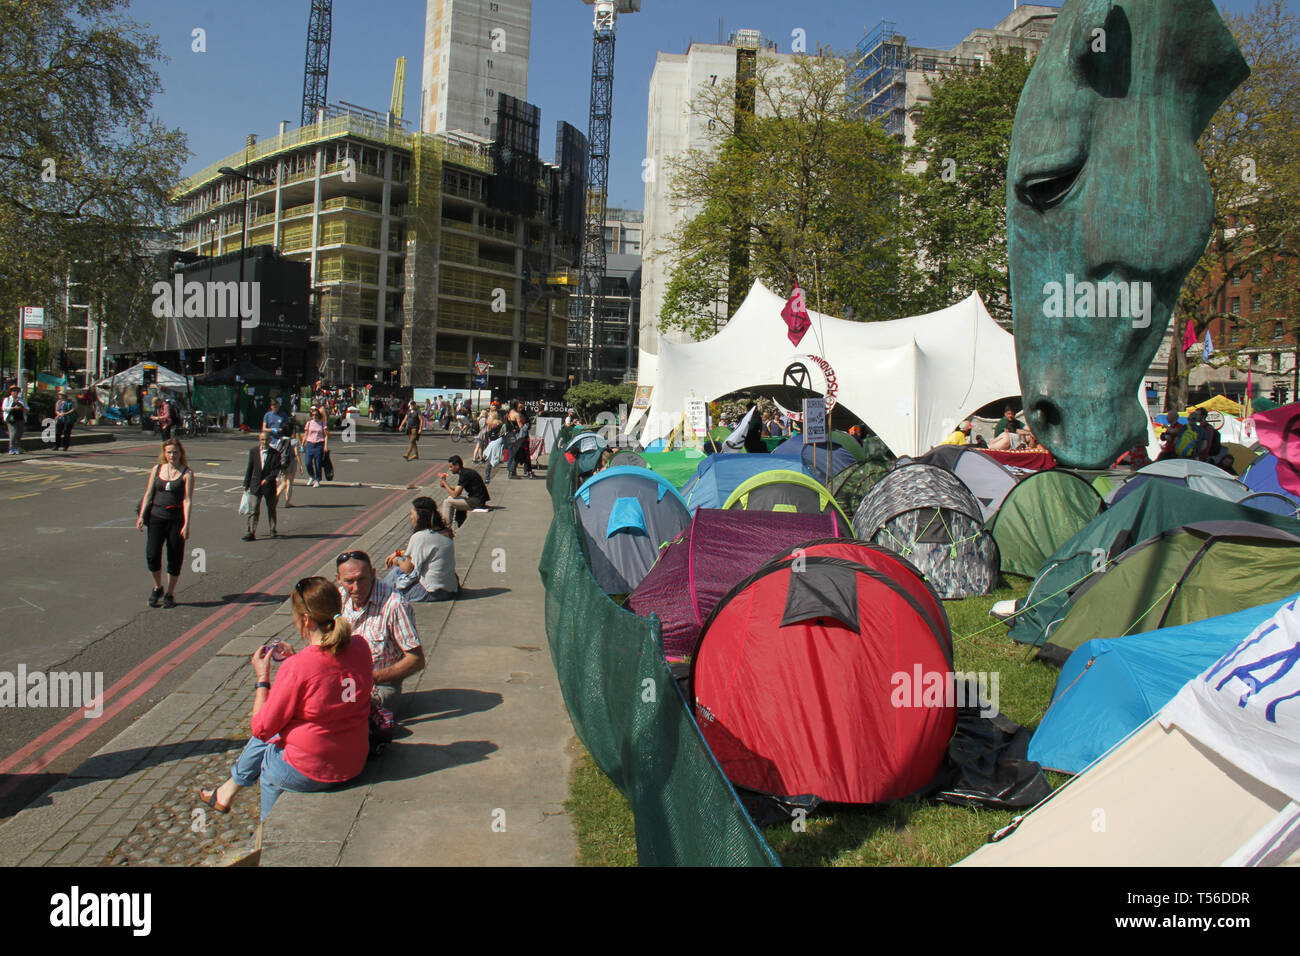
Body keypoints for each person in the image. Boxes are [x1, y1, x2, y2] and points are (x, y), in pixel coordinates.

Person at [197, 577, 372, 819]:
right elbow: (329, 678)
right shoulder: (361, 647)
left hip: (313, 769)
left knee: (270, 754)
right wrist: (297, 661)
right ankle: (226, 792)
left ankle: (266, 835)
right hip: (354, 758)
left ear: (306, 620)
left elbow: (261, 729)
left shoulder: (299, 668)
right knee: (281, 729)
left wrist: (262, 677)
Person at [335, 551, 425, 705]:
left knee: (342, 709)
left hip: (379, 685)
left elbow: (416, 660)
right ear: (338, 579)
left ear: (373, 574)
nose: (356, 588)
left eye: (361, 579)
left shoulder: (395, 604)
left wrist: (371, 677)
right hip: (342, 681)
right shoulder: (339, 598)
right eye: (349, 581)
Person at [137, 438, 194, 608]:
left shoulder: (187, 473)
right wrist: (141, 515)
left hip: (176, 520)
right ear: (164, 454)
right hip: (156, 518)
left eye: (175, 452)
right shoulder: (157, 469)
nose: (172, 455)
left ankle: (170, 593)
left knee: (174, 557)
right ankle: (158, 587)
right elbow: (148, 493)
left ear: (180, 453)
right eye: (169, 452)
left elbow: (187, 500)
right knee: (152, 555)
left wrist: (187, 524)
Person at [382, 497, 458, 602]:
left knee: (396, 576)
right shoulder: (445, 533)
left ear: (420, 517)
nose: (410, 517)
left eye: (412, 514)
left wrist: (396, 560)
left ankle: (379, 592)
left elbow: (408, 568)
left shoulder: (420, 536)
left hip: (433, 592)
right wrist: (398, 553)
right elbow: (418, 553)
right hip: (449, 588)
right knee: (396, 575)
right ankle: (379, 590)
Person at [244, 430, 282, 541]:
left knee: (271, 508)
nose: (264, 442)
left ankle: (272, 529)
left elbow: (276, 470)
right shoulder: (253, 451)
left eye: (266, 439)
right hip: (255, 484)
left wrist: (268, 479)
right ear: (259, 440)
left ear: (270, 440)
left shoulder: (275, 454)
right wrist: (246, 483)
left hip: (269, 486)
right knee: (254, 509)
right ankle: (251, 532)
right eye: (262, 439)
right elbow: (249, 468)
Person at [439, 455, 491, 528]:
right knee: (451, 498)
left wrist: (444, 483)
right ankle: (460, 524)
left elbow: (455, 494)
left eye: (451, 467)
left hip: (477, 501)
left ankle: (445, 527)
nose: (450, 469)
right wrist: (445, 485)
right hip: (477, 499)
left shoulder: (464, 475)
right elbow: (457, 492)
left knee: (447, 502)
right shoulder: (465, 472)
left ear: (457, 465)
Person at [506, 401, 536, 479]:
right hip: (519, 438)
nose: (521, 408)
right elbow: (521, 427)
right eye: (520, 407)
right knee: (519, 454)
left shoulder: (514, 413)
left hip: (519, 437)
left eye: (522, 407)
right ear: (516, 406)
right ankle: (514, 472)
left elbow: (526, 425)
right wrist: (525, 426)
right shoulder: (516, 414)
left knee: (520, 454)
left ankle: (523, 471)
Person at [303, 404, 328, 487]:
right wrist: (302, 444)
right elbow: (305, 434)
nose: (314, 416)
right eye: (313, 415)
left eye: (316, 415)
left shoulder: (322, 423)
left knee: (318, 463)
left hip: (319, 444)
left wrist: (325, 446)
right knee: (307, 462)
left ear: (319, 415)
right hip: (310, 444)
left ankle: (317, 479)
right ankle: (311, 476)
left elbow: (326, 435)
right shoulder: (309, 423)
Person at [4, 384, 28, 455]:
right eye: (14, 391)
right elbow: (4, 408)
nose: (15, 393)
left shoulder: (21, 400)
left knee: (19, 433)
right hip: (11, 419)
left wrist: (23, 408)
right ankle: (11, 448)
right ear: (11, 392)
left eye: (17, 391)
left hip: (20, 418)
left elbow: (27, 408)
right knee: (13, 433)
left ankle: (17, 448)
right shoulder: (7, 399)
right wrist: (13, 408)